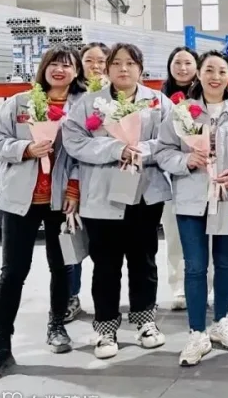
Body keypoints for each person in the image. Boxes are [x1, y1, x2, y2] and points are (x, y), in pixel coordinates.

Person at [62, 43, 173, 360]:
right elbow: (74, 141)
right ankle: (106, 327)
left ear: (141, 69)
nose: (124, 69)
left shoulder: (157, 101)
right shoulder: (89, 103)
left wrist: (140, 149)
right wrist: (115, 149)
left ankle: (145, 321)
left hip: (145, 194)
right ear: (107, 69)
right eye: (117, 63)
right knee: (106, 264)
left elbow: (171, 139)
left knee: (144, 260)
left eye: (130, 63)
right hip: (102, 196)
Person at [0, 47, 86, 381]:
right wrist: (25, 148)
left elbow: (85, 154)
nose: (59, 69)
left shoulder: (83, 107)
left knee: (62, 266)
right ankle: (0, 345)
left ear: (76, 72)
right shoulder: (20, 102)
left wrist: (74, 188)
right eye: (54, 63)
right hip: (21, 200)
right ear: (43, 68)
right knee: (13, 271)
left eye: (67, 65)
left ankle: (56, 326)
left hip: (60, 200)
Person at [154, 50, 228, 366]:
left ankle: (221, 320)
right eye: (209, 70)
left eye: (221, 71)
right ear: (199, 74)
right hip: (191, 200)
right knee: (195, 266)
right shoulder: (182, 111)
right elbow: (162, 151)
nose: (215, 77)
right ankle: (196, 332)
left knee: (225, 262)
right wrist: (186, 160)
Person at [64, 41, 110, 324]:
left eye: (101, 61)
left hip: (105, 181)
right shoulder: (72, 97)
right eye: (89, 60)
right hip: (73, 179)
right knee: (72, 241)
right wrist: (72, 183)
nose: (96, 66)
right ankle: (70, 296)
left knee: (105, 250)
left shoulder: (117, 95)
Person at [159, 46, 203, 312]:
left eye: (188, 63)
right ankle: (178, 287)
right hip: (169, 176)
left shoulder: (207, 96)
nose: (183, 68)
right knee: (174, 234)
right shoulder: (159, 99)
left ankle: (204, 285)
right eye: (177, 63)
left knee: (204, 237)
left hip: (203, 175)